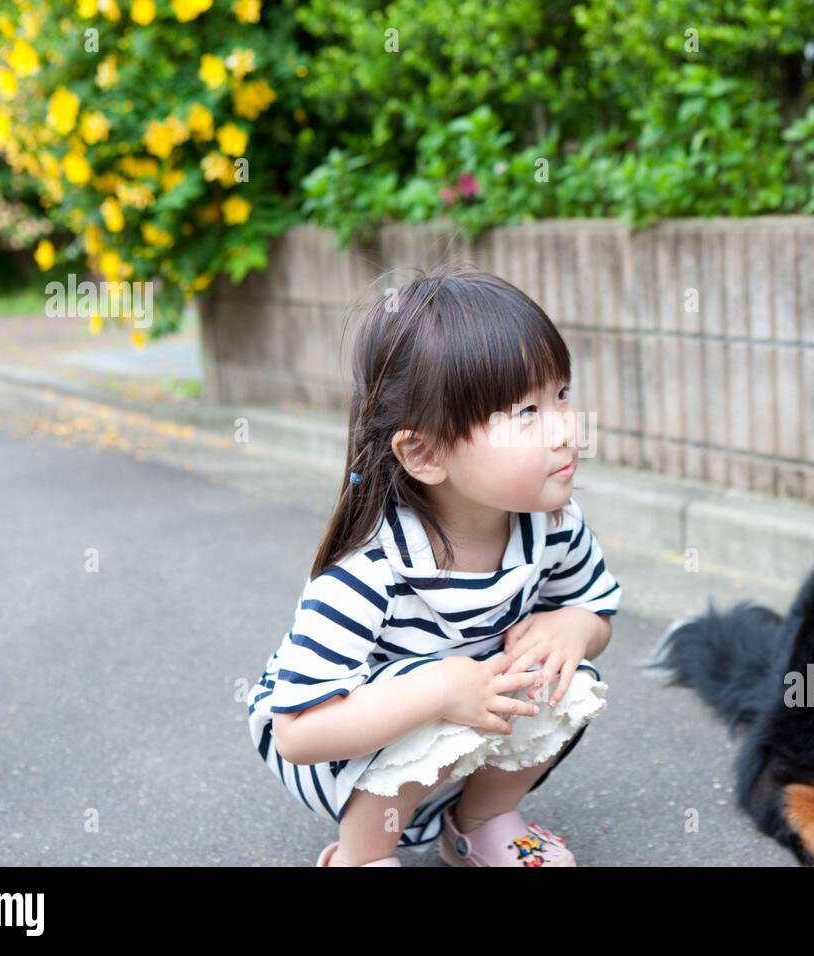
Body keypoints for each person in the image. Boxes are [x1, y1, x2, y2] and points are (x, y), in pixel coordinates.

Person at [246, 264, 622, 867]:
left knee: (565, 681)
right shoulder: (370, 570)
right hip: (349, 739)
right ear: (424, 452)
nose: (565, 432)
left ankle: (480, 822)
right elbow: (297, 731)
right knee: (427, 688)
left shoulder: (553, 523)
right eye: (524, 413)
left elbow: (597, 608)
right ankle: (361, 855)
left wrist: (574, 627)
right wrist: (440, 689)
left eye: (561, 394)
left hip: (472, 704)